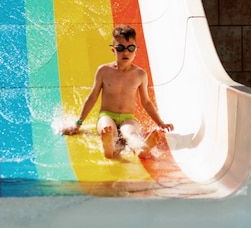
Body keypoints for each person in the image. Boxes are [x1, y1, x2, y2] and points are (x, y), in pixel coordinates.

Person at [62, 25, 174, 159]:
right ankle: (109, 146)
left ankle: (141, 148)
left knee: (131, 133)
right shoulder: (104, 71)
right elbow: (92, 97)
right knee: (108, 130)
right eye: (120, 48)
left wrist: (160, 123)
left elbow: (146, 101)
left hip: (128, 117)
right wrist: (78, 123)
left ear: (136, 50)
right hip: (106, 115)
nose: (125, 52)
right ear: (113, 50)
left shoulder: (140, 74)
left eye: (130, 48)